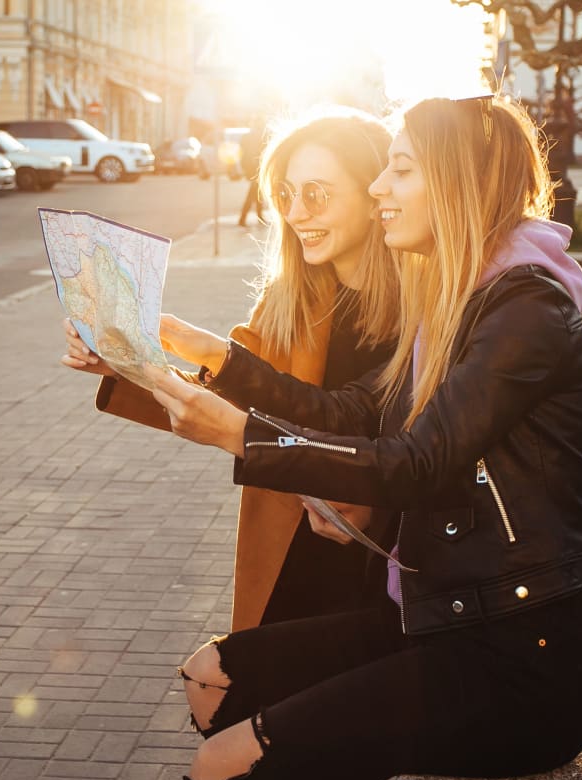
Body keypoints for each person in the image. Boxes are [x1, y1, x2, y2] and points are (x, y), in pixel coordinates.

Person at [145, 94, 582, 780]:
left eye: (400, 171)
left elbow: (414, 464)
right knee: (211, 675)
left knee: (225, 763)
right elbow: (351, 408)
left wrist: (241, 434)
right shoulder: (455, 306)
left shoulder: (527, 311)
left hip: (517, 661)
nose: (380, 190)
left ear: (456, 183)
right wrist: (210, 355)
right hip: (438, 619)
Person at [62, 106, 401, 632]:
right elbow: (235, 403)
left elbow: (383, 435)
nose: (297, 213)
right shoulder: (290, 298)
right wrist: (129, 365)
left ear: (375, 193)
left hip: (388, 565)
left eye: (317, 194)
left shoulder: (428, 308)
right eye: (286, 194)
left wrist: (216, 354)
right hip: (292, 544)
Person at [237, 119, 266, 226]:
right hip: (255, 169)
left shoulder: (248, 136)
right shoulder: (254, 136)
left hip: (251, 168)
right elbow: (253, 153)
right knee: (253, 193)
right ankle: (243, 218)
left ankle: (258, 216)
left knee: (257, 192)